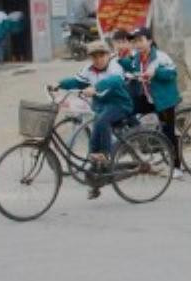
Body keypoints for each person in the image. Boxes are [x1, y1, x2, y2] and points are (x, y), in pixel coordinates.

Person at [53, 42, 133, 197]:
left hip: (119, 105)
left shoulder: (114, 66)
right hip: (101, 107)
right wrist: (59, 84)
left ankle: (106, 154)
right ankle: (96, 182)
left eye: (101, 55)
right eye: (94, 56)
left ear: (108, 55)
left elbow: (115, 81)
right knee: (93, 147)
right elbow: (77, 81)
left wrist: (96, 87)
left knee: (102, 122)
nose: (98, 59)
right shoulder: (88, 70)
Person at [128, 27, 182, 168]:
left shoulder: (160, 57)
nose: (138, 44)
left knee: (169, 133)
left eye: (141, 40)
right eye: (135, 41)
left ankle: (177, 167)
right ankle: (144, 144)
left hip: (164, 100)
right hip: (147, 97)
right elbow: (131, 70)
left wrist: (156, 72)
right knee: (126, 111)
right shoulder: (136, 58)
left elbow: (172, 73)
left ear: (150, 41)